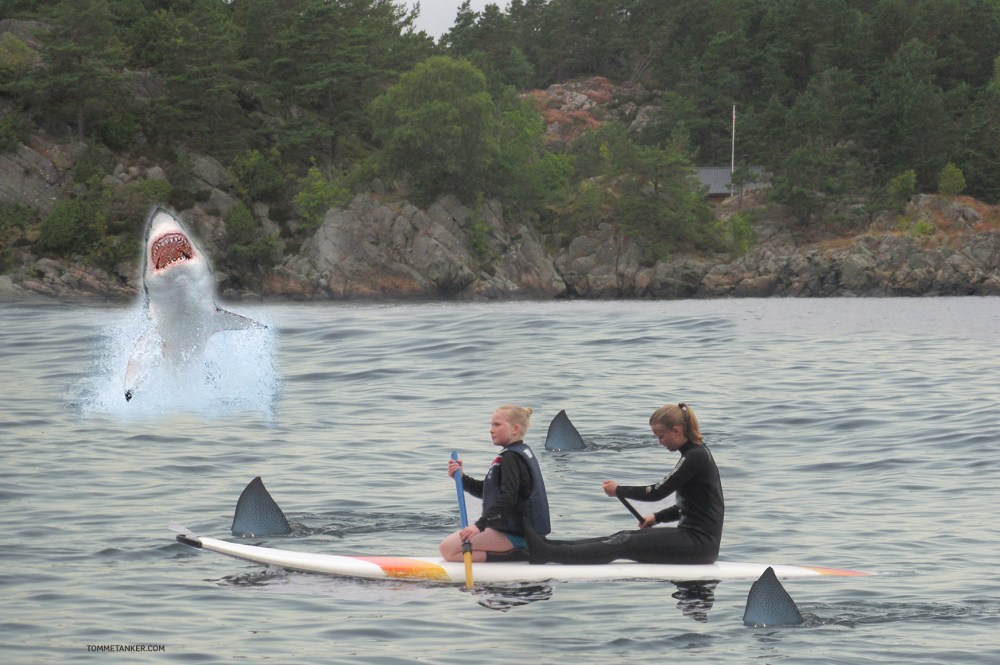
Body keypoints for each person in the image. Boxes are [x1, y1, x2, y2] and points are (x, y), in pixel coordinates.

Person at [524, 402, 723, 565]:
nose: (659, 442)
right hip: (696, 542)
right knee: (622, 536)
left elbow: (657, 492)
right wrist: (657, 517)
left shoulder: (695, 457)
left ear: (677, 431)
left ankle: (549, 554)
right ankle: (550, 547)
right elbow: (695, 505)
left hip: (699, 546)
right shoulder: (696, 453)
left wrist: (618, 490)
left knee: (623, 541)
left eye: (661, 436)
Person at [439, 405, 551, 563]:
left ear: (515, 429)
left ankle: (517, 555)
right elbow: (487, 491)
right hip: (518, 532)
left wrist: (479, 526)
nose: (491, 430)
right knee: (451, 548)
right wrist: (462, 478)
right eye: (491, 425)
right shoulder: (518, 452)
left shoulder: (511, 458)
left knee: (447, 550)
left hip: (518, 536)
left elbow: (508, 498)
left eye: (497, 425)